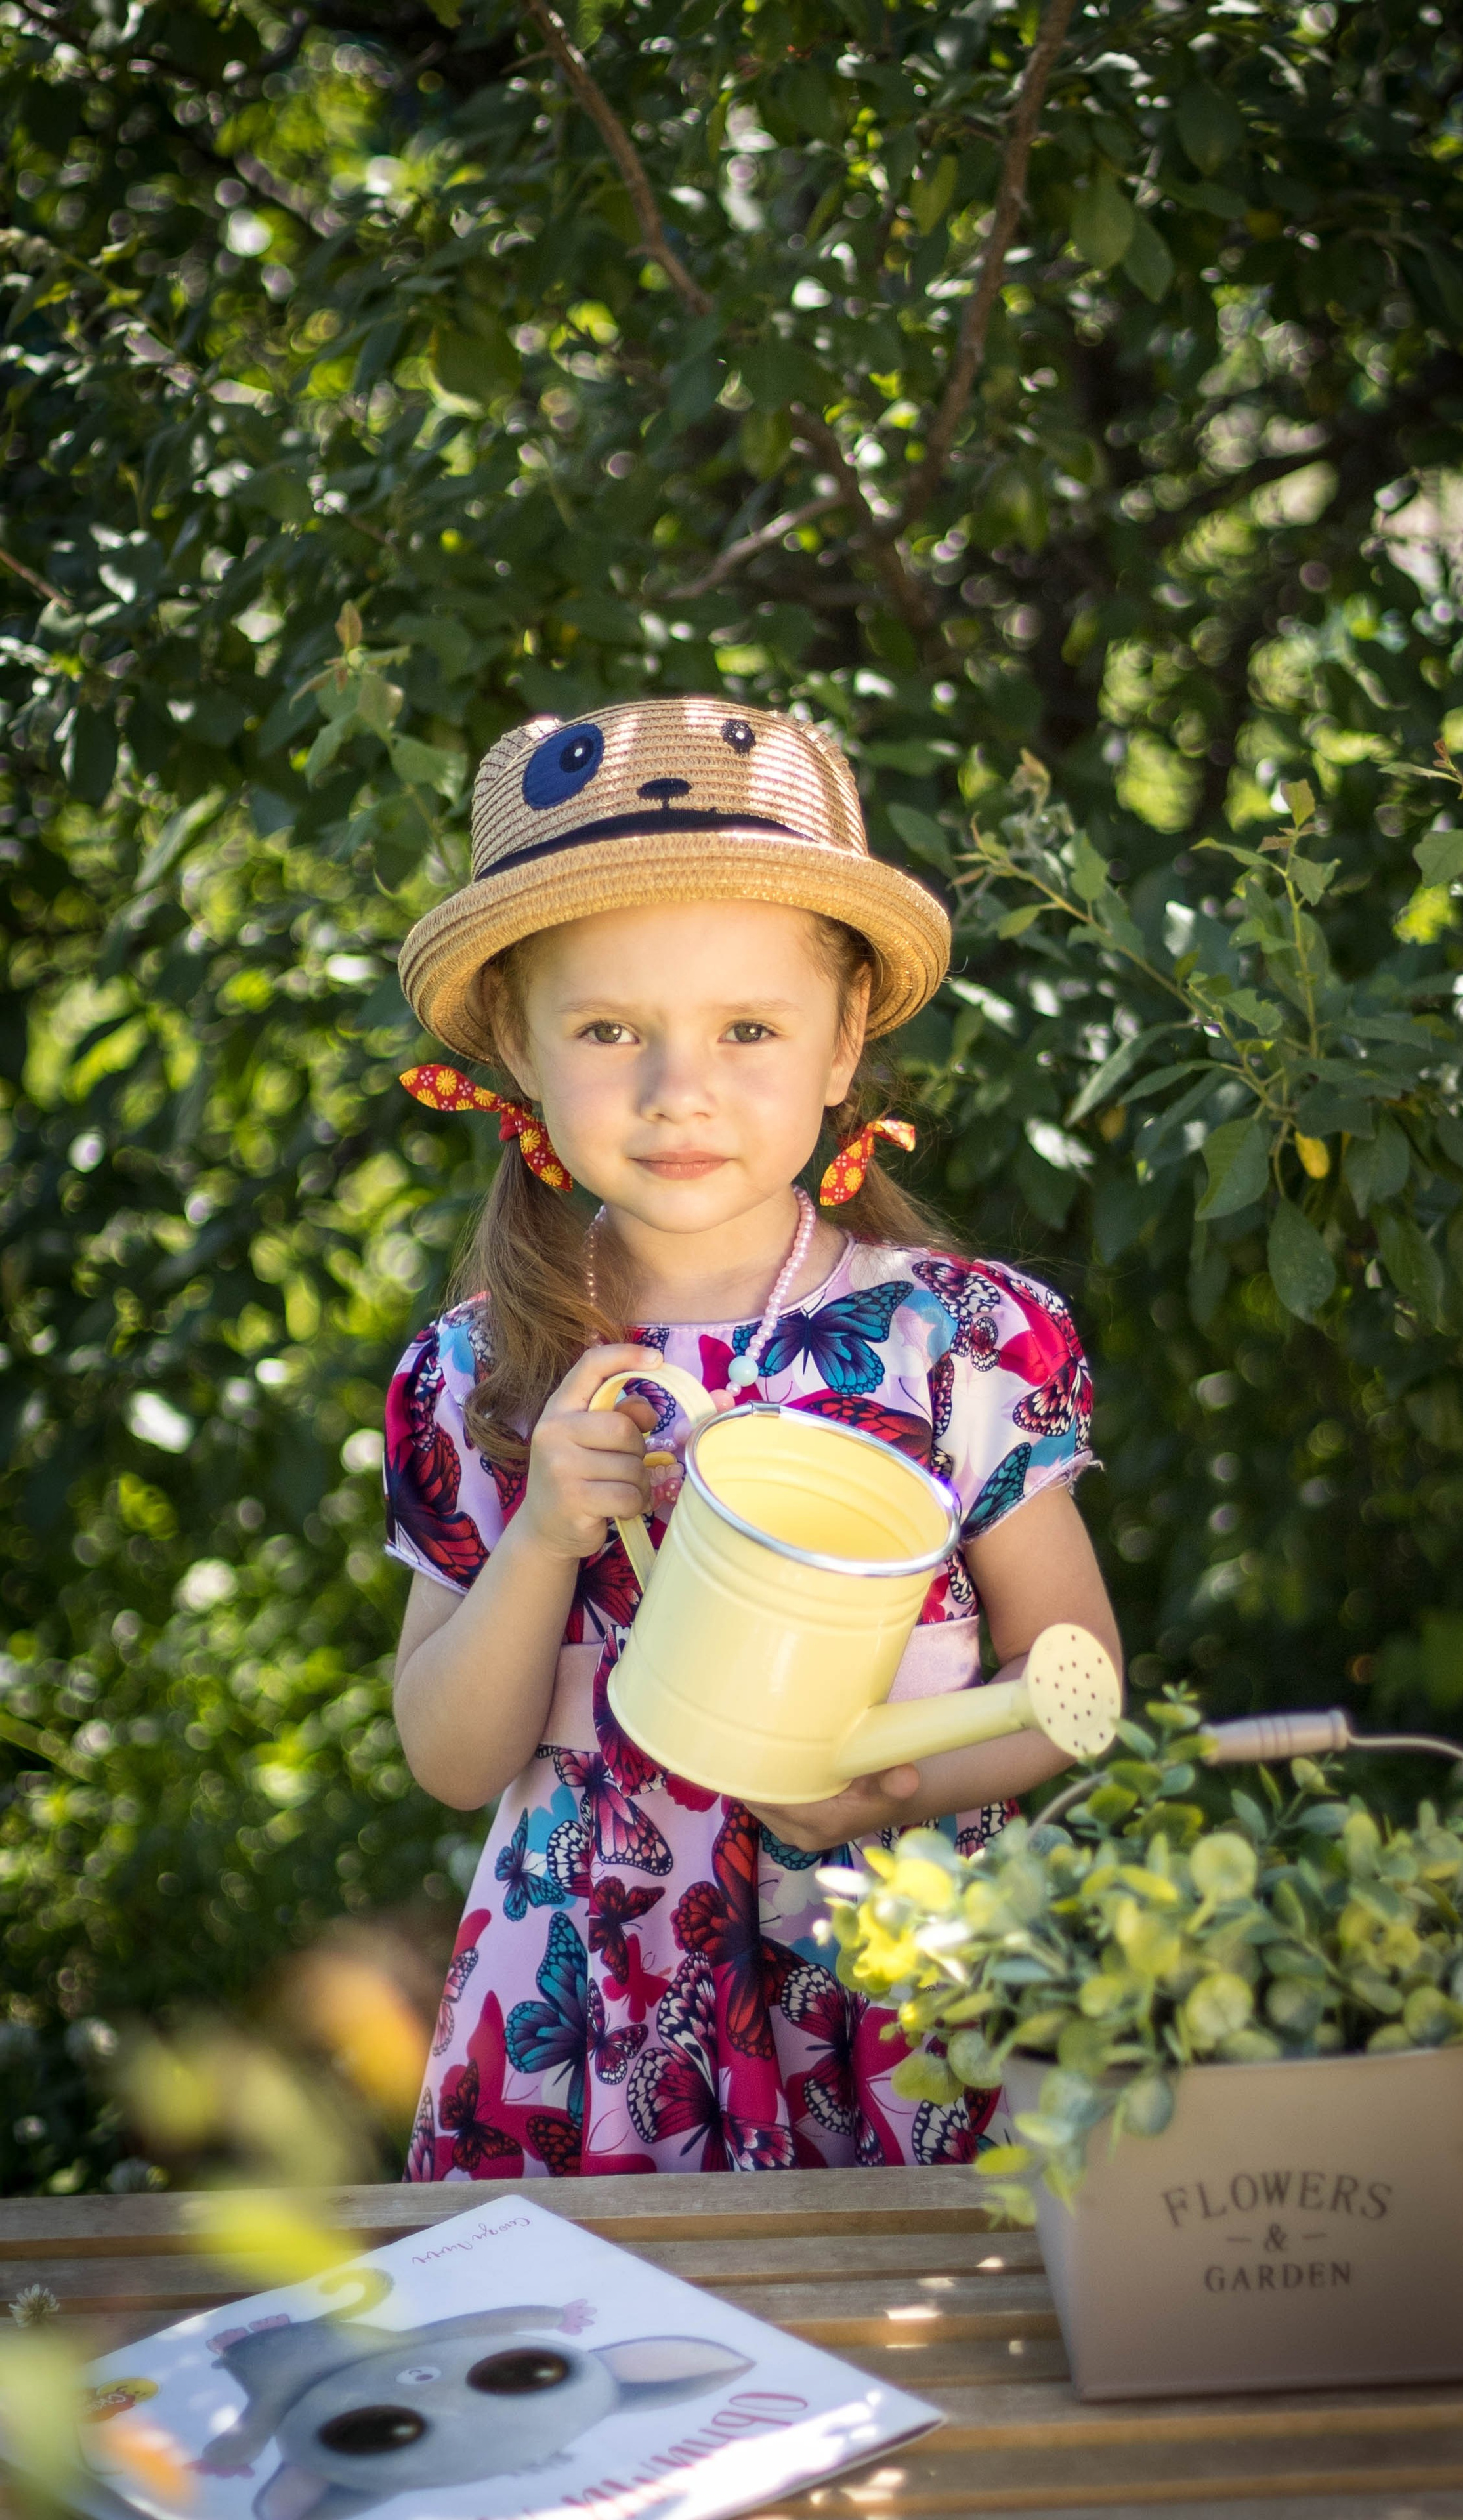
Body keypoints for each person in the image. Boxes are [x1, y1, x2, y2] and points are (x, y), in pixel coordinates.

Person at [383, 696, 1122, 2179]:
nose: (679, 1090)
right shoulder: (484, 1371)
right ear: (519, 1049)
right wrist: (541, 1535)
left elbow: (1077, 1688)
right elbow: (454, 1757)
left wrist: (889, 1789)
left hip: (904, 1979)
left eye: (746, 1027)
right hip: (589, 2005)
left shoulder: (953, 1343)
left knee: (939, 2371)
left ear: (843, 1040)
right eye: (608, 1030)